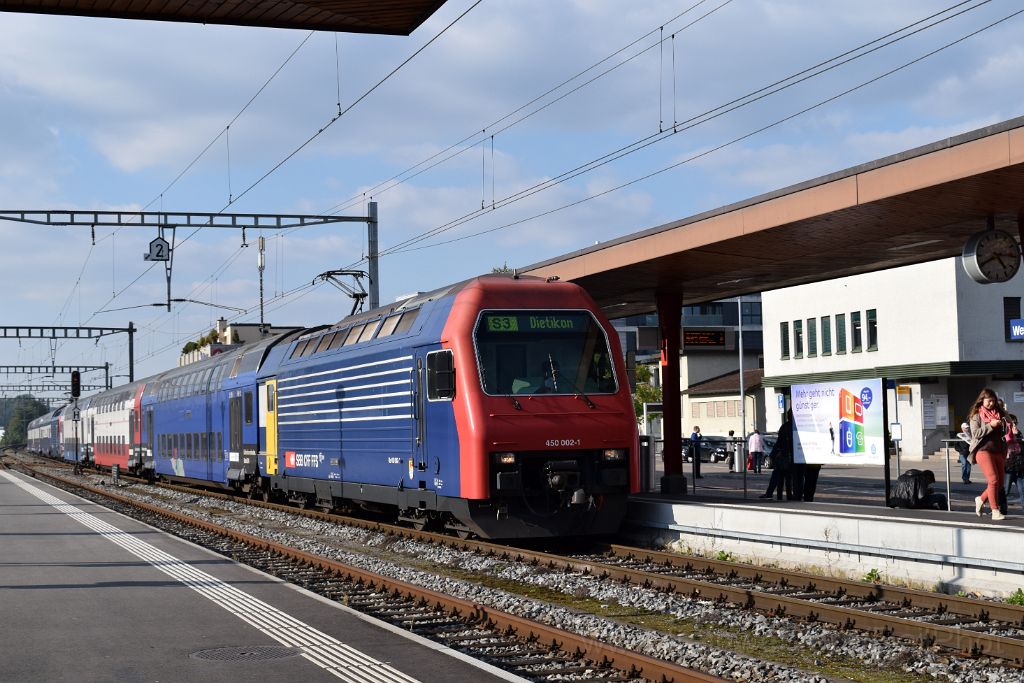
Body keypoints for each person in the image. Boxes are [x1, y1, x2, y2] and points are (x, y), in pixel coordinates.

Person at [967, 387, 1010, 520]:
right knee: (993, 480)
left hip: (998, 451)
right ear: (982, 401)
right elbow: (976, 433)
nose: (991, 403)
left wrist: (1004, 418)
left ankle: (981, 499)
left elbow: (1009, 422)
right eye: (988, 401)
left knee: (1000, 484)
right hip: (983, 451)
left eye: (993, 401)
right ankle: (995, 511)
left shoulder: (999, 413)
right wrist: (991, 425)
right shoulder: (976, 416)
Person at [760, 411, 793, 500]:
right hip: (791, 457)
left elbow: (779, 442)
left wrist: (773, 455)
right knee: (788, 478)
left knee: (777, 477)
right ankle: (789, 496)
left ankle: (774, 494)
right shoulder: (795, 427)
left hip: (783, 457)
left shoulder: (784, 427)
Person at [1005, 415, 1024, 510]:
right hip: (1008, 469)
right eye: (1012, 424)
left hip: (1019, 469)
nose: (1015, 426)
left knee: (1023, 490)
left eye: (1015, 423)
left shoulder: (1020, 435)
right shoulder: (1005, 436)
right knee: (1005, 491)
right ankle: (998, 509)